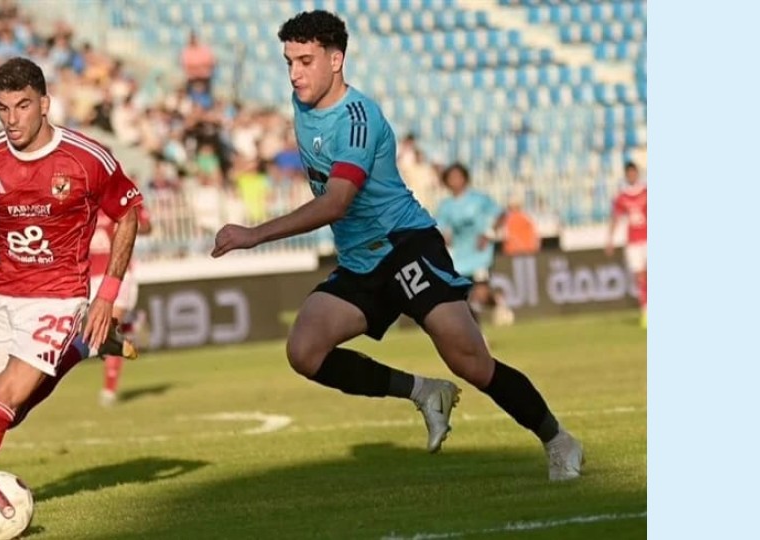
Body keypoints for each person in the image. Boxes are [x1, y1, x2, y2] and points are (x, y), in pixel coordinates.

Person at [211, 11, 583, 480]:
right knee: (304, 351)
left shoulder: (359, 119)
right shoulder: (302, 104)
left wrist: (254, 234)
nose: (295, 74)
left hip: (404, 245)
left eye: (305, 61)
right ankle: (424, 391)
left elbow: (336, 202)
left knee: (470, 362)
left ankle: (558, 439)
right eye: (289, 62)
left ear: (336, 60)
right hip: (360, 260)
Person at [0, 57, 145, 528]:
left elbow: (128, 213)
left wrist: (105, 296)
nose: (12, 119)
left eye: (22, 106)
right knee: (2, 414)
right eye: (3, 108)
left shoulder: (86, 158)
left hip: (59, 298)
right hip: (3, 297)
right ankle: (80, 348)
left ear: (45, 104)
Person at [434, 163, 515, 327]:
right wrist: (445, 239)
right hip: (460, 257)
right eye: (451, 178)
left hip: (480, 254)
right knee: (464, 298)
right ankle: (480, 331)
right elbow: (441, 228)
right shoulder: (446, 206)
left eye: (458, 177)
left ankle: (495, 303)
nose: (455, 181)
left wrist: (489, 233)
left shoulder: (479, 199)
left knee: (481, 294)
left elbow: (501, 214)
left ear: (465, 178)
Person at [89, 205, 153, 407]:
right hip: (90, 274)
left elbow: (147, 227)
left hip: (117, 273)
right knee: (94, 333)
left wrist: (127, 225)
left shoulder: (122, 196)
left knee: (110, 329)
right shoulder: (84, 198)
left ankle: (109, 390)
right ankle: (132, 327)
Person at [605, 161, 647, 329]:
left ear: (637, 173)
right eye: (629, 173)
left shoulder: (646, 192)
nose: (632, 176)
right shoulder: (621, 197)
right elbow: (615, 218)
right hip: (633, 241)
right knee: (640, 277)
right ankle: (646, 310)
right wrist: (610, 239)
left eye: (633, 173)